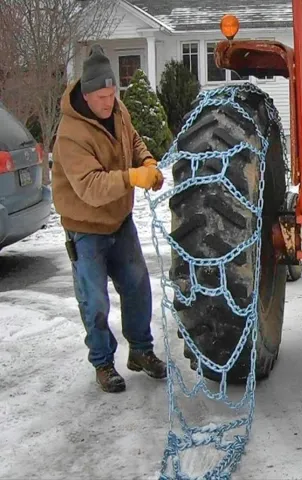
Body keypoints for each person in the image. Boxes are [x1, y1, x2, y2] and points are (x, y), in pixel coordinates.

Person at [52, 44, 167, 393]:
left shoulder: (118, 111)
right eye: (102, 96)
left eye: (113, 93)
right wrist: (132, 178)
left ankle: (141, 351)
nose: (109, 101)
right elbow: (90, 188)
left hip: (120, 220)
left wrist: (146, 162)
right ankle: (103, 364)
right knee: (95, 300)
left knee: (137, 286)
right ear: (87, 96)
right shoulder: (70, 134)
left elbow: (132, 142)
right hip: (85, 229)